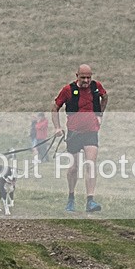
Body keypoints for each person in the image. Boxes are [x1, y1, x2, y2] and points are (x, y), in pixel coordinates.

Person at [51, 64, 108, 212]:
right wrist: (57, 127)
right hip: (74, 133)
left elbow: (105, 96)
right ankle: (71, 198)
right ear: (77, 76)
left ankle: (90, 201)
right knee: (73, 168)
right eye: (83, 77)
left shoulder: (96, 87)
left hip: (91, 132)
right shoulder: (68, 90)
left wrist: (100, 114)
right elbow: (55, 107)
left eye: (89, 77)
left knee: (90, 164)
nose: (86, 80)